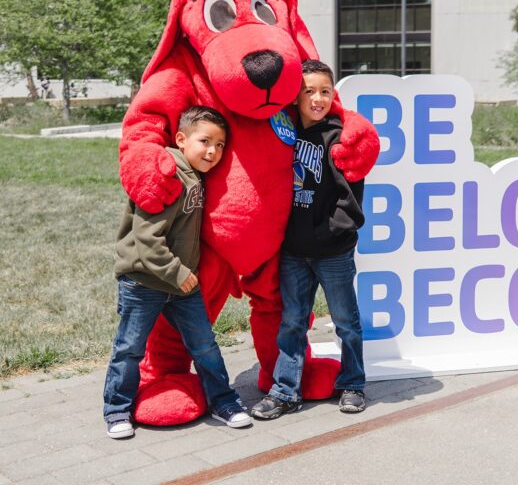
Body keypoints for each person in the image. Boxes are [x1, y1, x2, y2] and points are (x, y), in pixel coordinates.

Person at [103, 105, 252, 439]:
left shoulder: (195, 175)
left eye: (220, 144)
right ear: (181, 139)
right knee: (130, 348)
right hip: (144, 281)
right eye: (205, 141)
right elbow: (146, 237)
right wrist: (177, 272)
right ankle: (116, 410)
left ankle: (224, 402)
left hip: (181, 286)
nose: (213, 150)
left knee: (204, 346)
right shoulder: (165, 172)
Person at [251, 60, 367, 420]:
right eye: (309, 91)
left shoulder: (340, 135)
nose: (317, 98)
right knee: (292, 323)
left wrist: (329, 232)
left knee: (346, 320)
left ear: (333, 95)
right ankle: (286, 391)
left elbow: (351, 195)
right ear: (295, 96)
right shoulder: (283, 133)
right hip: (293, 252)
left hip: (333, 252)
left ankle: (353, 383)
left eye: (325, 91)